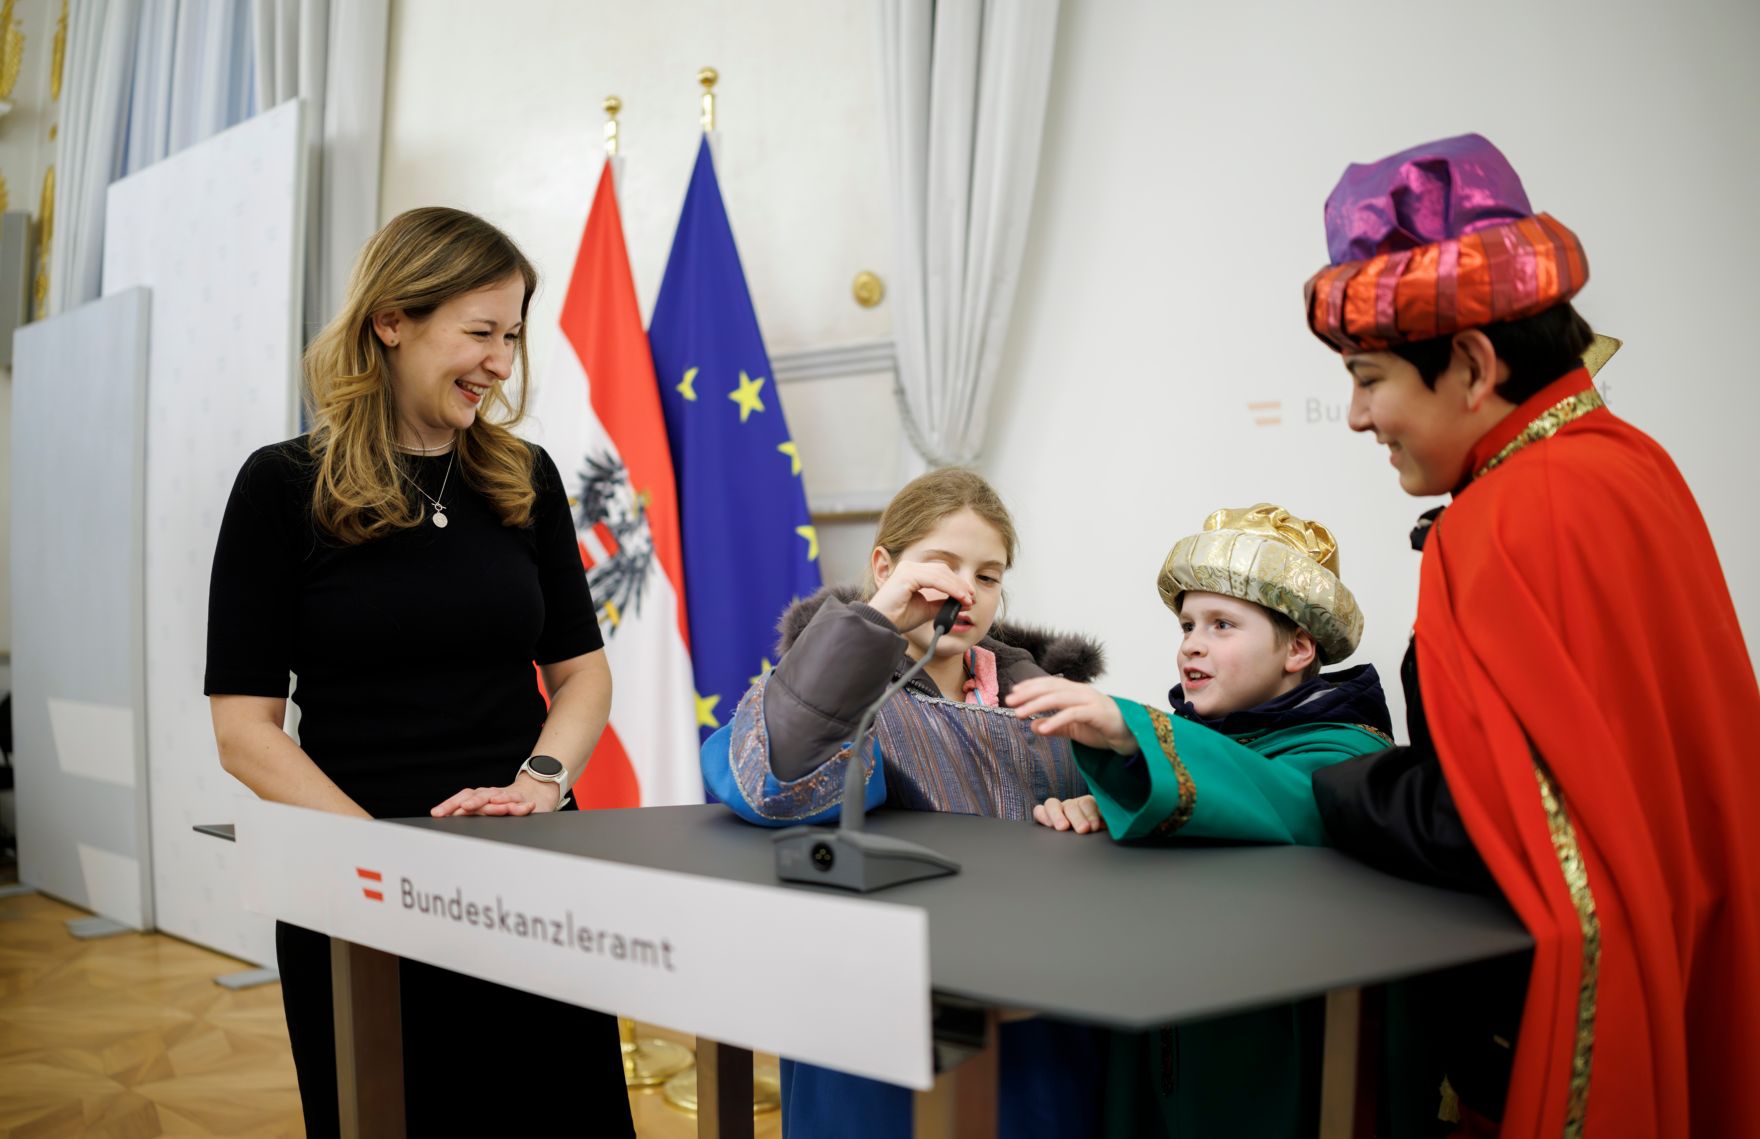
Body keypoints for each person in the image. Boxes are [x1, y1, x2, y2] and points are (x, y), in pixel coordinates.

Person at [1301, 134, 1760, 1136]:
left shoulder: (1500, 521)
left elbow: (1489, 822)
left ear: (1469, 362)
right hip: (1691, 945)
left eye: (1367, 376)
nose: (1353, 415)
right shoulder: (1625, 462)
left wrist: (1333, 777)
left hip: (1549, 1003)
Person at [204, 207, 633, 1138]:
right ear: (391, 320)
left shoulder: (526, 477)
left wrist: (542, 782)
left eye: (513, 336)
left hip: (529, 866)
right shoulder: (280, 488)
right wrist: (384, 860)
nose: (501, 362)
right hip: (358, 874)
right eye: (479, 333)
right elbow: (243, 731)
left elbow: (582, 678)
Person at [700, 467, 1106, 1139]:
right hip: (881, 1017)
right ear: (884, 565)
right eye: (941, 565)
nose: (964, 591)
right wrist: (879, 619)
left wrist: (1094, 810)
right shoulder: (832, 694)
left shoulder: (1051, 702)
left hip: (1034, 1012)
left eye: (987, 574)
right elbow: (773, 775)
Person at [1009, 503, 1394, 1137]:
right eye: (1188, 623)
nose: (1192, 642)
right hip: (1165, 1038)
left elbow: (1287, 802)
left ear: (1299, 648)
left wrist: (1132, 736)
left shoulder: (1347, 752)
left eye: (1222, 624)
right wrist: (1107, 804)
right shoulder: (1191, 741)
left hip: (1264, 1061)